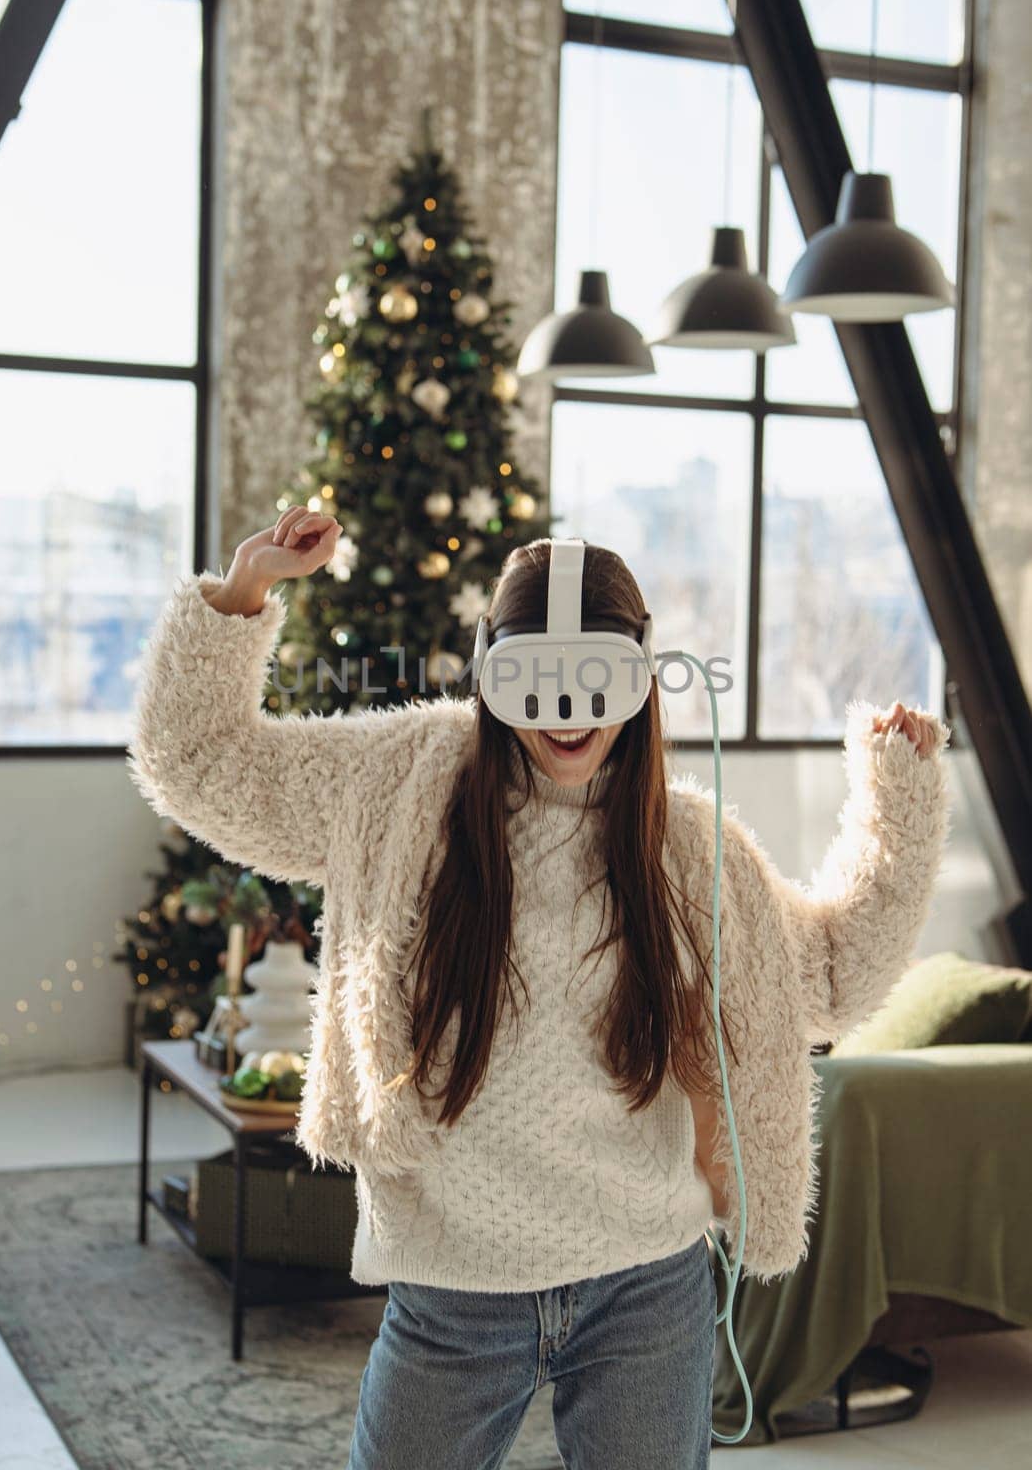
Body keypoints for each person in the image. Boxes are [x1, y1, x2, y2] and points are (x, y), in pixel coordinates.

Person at [127, 511, 952, 1469]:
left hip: (646, 1282)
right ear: (490, 676)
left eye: (595, 677)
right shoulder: (397, 790)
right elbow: (196, 766)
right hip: (451, 1281)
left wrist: (899, 798)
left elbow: (835, 977)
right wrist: (242, 592)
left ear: (642, 680)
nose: (566, 714)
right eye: (534, 678)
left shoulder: (690, 850)